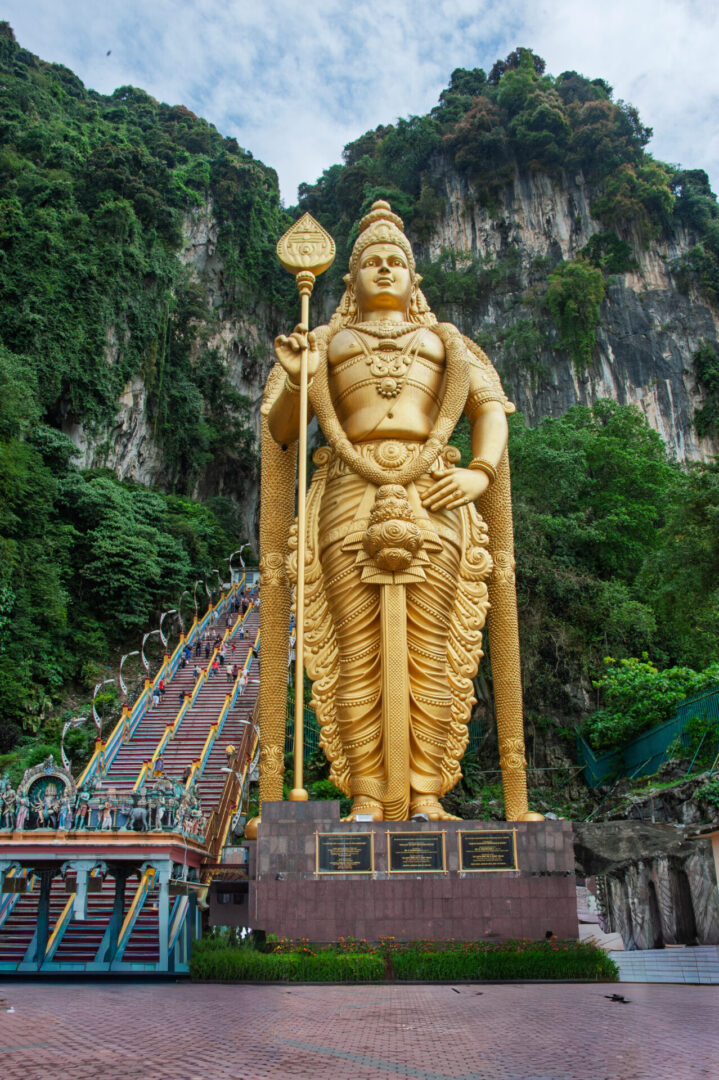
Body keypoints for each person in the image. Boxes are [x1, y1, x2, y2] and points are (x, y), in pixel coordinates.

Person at [261, 199, 533, 823]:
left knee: (432, 648)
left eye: (396, 261)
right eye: (372, 262)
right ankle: (365, 794)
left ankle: (428, 794)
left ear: (414, 278)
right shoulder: (323, 342)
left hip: (435, 491)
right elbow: (280, 433)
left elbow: (489, 410)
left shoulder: (447, 343)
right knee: (355, 648)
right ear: (350, 279)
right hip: (347, 494)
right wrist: (299, 379)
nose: (384, 269)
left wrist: (480, 471)